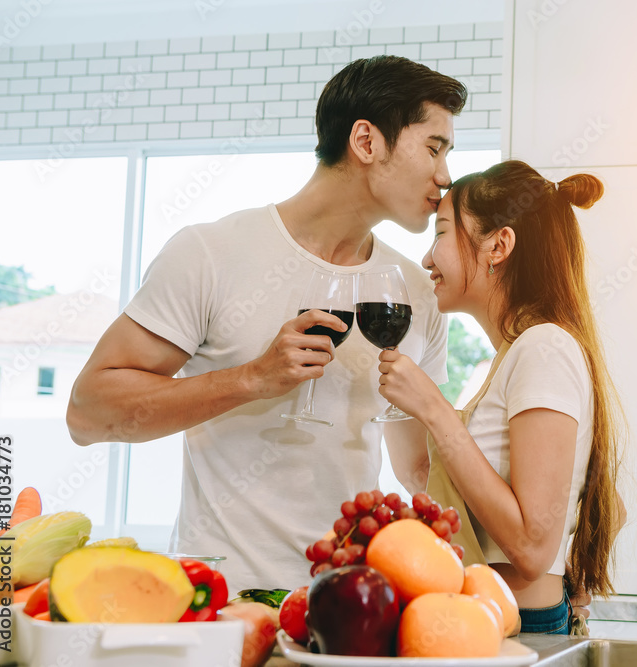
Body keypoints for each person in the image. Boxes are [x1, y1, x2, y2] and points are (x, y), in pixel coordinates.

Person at [66, 56, 468, 591]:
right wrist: (251, 379)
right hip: (221, 603)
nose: (445, 177)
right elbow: (87, 414)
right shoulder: (210, 253)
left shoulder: (414, 292)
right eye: (434, 149)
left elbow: (417, 468)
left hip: (352, 605)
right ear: (367, 142)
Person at [377, 160, 626, 635]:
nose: (428, 259)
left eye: (442, 234)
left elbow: (532, 548)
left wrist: (433, 407)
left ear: (499, 245)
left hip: (520, 627)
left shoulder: (544, 347)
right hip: (492, 620)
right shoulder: (519, 352)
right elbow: (427, 475)